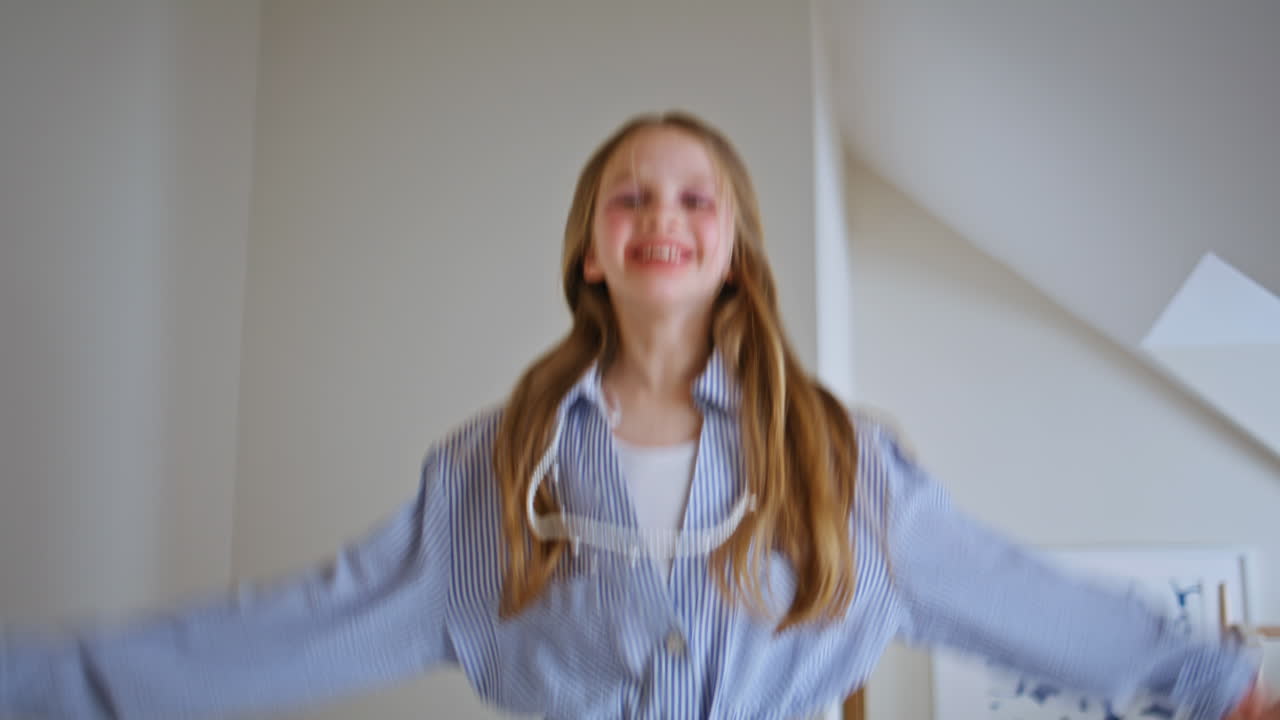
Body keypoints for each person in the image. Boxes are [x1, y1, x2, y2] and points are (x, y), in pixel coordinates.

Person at [1, 111, 1275, 720]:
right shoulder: (490, 472)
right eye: (628, 196)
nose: (660, 214)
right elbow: (293, 628)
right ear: (590, 250)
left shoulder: (843, 467)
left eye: (694, 198)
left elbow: (1015, 596)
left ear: (734, 253)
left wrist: (1220, 688)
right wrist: (43, 686)